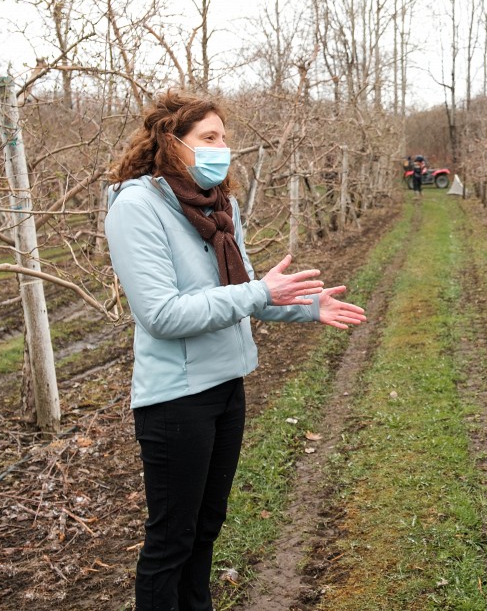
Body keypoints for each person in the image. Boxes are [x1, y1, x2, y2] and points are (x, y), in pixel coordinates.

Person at [105, 90, 367, 611]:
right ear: (170, 142)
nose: (222, 147)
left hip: (226, 387)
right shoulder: (136, 207)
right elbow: (162, 314)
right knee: (171, 541)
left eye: (224, 137)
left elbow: (245, 295)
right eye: (209, 137)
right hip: (175, 400)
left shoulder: (221, 207)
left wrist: (305, 306)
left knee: (206, 528)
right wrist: (259, 293)